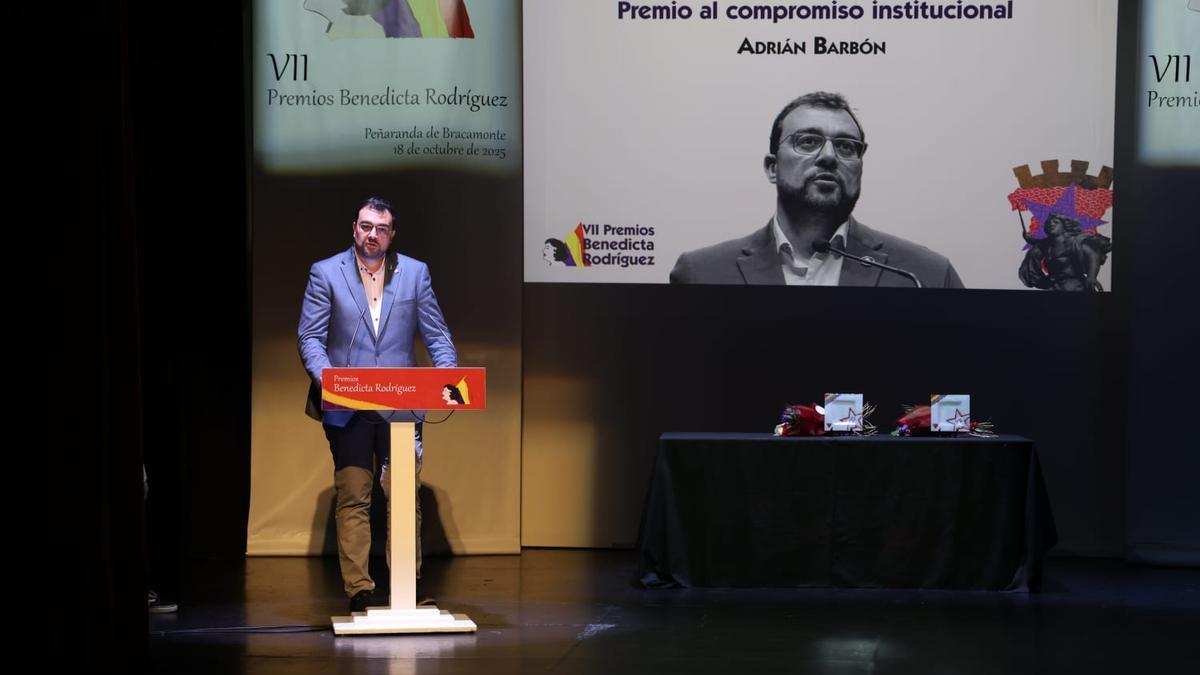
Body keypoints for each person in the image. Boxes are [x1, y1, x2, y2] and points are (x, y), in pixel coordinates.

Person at [298, 197, 457, 613]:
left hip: (401, 407)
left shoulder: (415, 273)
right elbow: (310, 338)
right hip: (346, 406)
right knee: (354, 494)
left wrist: (448, 375)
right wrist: (328, 378)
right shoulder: (326, 273)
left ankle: (408, 582)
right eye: (366, 226)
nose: (373, 234)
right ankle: (360, 589)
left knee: (403, 495)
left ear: (392, 234)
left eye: (381, 228)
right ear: (354, 229)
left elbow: (436, 334)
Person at [670, 91, 964, 288]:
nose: (828, 156)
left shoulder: (925, 275)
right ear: (772, 168)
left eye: (846, 146)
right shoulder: (702, 274)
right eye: (808, 141)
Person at [1018, 213, 1111, 291]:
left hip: (1074, 286)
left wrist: (1091, 277)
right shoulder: (1046, 245)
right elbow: (1039, 242)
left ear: (1064, 226)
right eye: (1048, 223)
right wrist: (1029, 238)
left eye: (1056, 222)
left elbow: (1093, 254)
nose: (1051, 224)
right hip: (1053, 287)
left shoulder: (1074, 241)